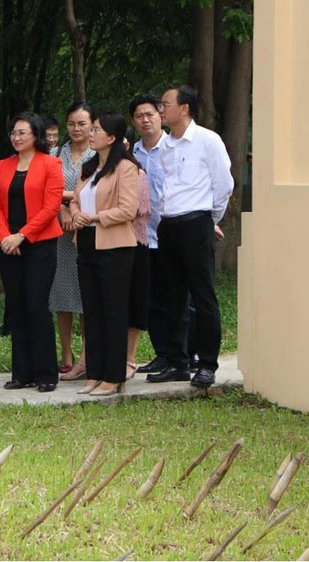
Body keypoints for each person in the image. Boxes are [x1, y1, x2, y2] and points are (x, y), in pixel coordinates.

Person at [147, 85, 233, 388]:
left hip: (197, 223)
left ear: (184, 109)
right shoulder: (166, 146)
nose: (161, 109)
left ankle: (207, 364)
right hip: (168, 225)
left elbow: (224, 184)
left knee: (203, 295)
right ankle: (177, 362)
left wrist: (210, 219)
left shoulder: (208, 141)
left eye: (166, 104)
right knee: (173, 297)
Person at [0, 112, 64, 392]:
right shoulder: (3, 166)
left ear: (36, 135)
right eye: (13, 133)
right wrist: (5, 236)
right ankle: (21, 373)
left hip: (40, 244)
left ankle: (46, 373)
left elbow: (51, 206)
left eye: (22, 132)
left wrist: (23, 235)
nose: (16, 137)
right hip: (10, 245)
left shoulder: (50, 164)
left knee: (37, 305)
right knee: (17, 307)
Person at [69, 114, 140, 396]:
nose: (91, 133)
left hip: (115, 246)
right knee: (92, 310)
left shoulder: (125, 168)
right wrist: (75, 214)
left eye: (96, 130)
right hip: (86, 242)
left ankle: (113, 376)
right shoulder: (89, 168)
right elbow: (75, 199)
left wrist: (94, 217)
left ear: (111, 138)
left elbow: (128, 209)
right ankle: (94, 372)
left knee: (113, 311)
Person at [130, 94, 197, 375]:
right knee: (152, 300)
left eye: (150, 114)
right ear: (133, 122)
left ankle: (188, 353)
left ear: (161, 116)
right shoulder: (131, 153)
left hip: (174, 232)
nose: (145, 120)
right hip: (144, 237)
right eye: (139, 116)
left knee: (181, 298)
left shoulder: (174, 148)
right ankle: (163, 354)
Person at [53, 102, 96, 381]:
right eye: (71, 123)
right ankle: (66, 353)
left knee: (86, 297)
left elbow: (98, 192)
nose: (76, 129)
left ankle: (87, 355)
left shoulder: (99, 154)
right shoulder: (56, 154)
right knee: (62, 297)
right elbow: (48, 190)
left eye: (82, 123)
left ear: (93, 125)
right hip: (59, 233)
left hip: (89, 230)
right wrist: (62, 209)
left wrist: (75, 209)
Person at [123, 130, 153, 381]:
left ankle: (129, 358)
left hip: (134, 243)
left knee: (134, 301)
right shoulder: (96, 173)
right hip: (103, 246)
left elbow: (138, 209)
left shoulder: (137, 173)